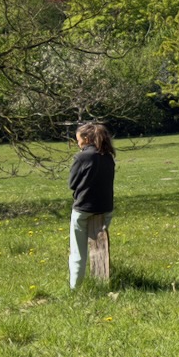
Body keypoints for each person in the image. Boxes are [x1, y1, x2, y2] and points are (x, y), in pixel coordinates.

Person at [68, 121, 116, 288]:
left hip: (83, 209)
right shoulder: (108, 156)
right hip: (105, 208)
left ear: (86, 139)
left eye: (78, 140)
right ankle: (102, 283)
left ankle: (75, 288)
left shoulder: (81, 157)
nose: (78, 143)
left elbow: (72, 183)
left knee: (78, 252)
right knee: (99, 248)